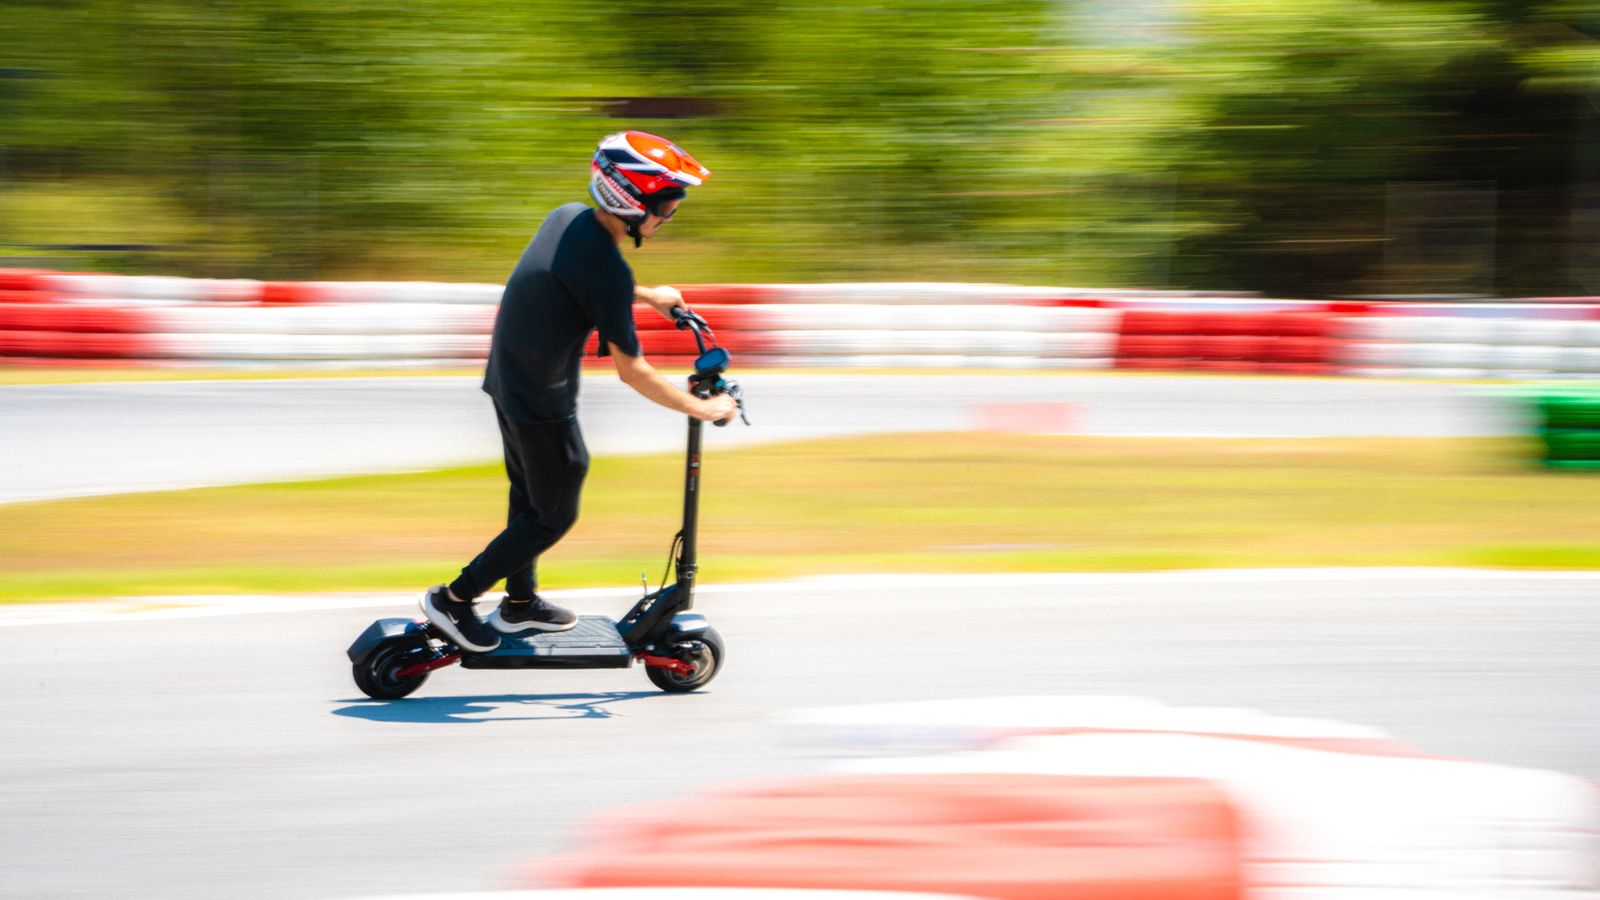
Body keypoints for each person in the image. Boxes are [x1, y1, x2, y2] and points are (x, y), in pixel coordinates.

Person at [421, 130, 738, 653]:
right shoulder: (608, 270)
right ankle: (454, 599)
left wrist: (647, 295)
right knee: (555, 512)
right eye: (666, 205)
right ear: (630, 199)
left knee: (530, 496)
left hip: (507, 379)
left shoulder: (567, 218)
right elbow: (633, 371)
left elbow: (574, 275)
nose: (669, 216)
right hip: (540, 400)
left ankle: (520, 603)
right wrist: (703, 407)